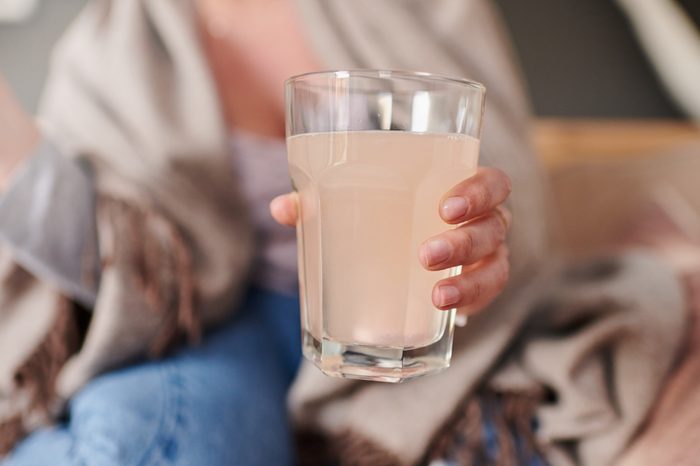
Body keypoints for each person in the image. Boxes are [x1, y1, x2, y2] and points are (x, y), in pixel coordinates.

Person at [0, 1, 686, 465]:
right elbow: (119, 261)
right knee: (144, 435)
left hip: (385, 314)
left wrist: (472, 251)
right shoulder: (111, 45)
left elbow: (502, 190)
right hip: (206, 325)